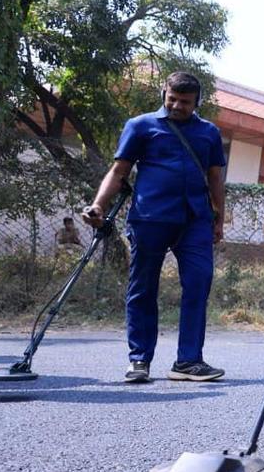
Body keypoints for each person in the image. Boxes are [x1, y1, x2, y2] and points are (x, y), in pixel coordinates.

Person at [83, 71, 226, 385]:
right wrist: (98, 205)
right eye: (171, 99)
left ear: (197, 102)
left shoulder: (209, 133)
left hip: (195, 220)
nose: (176, 106)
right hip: (150, 218)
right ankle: (139, 360)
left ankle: (188, 361)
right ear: (164, 93)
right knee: (143, 288)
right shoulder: (140, 126)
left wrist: (219, 217)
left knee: (199, 283)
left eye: (185, 102)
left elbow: (215, 177)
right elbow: (119, 170)